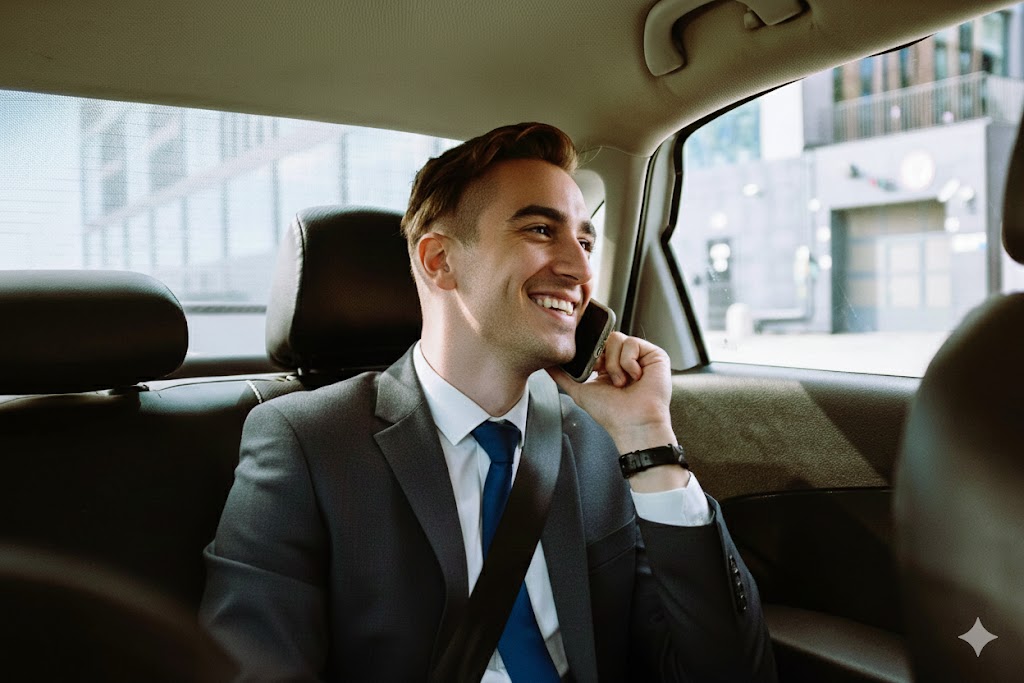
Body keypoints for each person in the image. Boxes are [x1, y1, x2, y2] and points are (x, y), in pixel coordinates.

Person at [200, 122, 777, 682]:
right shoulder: (307, 443)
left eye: (585, 241)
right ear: (439, 261)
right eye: (540, 230)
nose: (580, 269)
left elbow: (730, 670)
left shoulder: (603, 440)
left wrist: (649, 440)